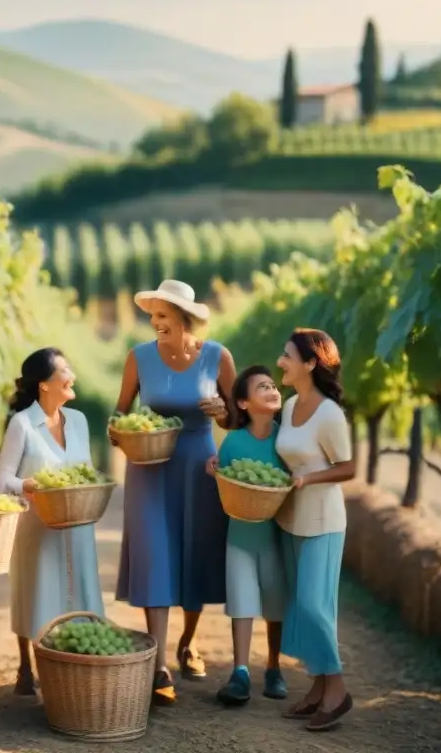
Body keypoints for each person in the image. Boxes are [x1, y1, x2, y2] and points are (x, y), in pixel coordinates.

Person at [113, 279, 236, 705]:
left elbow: (237, 418)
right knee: (155, 556)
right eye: (153, 316)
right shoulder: (139, 358)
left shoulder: (218, 358)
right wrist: (119, 430)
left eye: (162, 316)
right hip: (149, 467)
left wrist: (224, 412)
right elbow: (120, 411)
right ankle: (159, 662)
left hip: (199, 466)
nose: (155, 323)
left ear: (184, 319)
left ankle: (188, 641)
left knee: (194, 556)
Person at [0, 347, 104, 696]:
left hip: (78, 522)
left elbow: (84, 470)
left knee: (80, 591)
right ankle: (27, 666)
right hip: (37, 525)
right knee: (35, 591)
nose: (72, 376)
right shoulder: (22, 424)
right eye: (65, 371)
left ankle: (75, 669)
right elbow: (2, 481)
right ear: (44, 385)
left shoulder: (80, 422)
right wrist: (28, 485)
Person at [274, 328, 357, 732]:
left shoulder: (329, 414)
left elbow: (349, 467)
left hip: (323, 521)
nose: (280, 362)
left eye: (287, 355)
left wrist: (309, 480)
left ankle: (337, 691)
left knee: (313, 606)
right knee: (301, 609)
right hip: (290, 518)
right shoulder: (289, 406)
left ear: (310, 363)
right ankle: (317, 689)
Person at [206, 366, 289, 707]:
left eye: (273, 385)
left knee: (275, 602)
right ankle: (240, 671)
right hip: (239, 536)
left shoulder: (286, 440)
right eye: (262, 387)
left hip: (274, 537)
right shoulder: (234, 441)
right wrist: (213, 470)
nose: (271, 389)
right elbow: (226, 482)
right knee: (241, 602)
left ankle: (273, 665)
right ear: (242, 402)